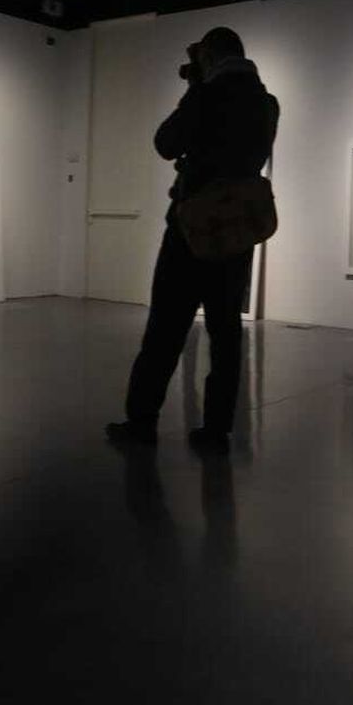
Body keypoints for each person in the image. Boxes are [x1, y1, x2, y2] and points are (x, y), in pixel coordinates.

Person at [107, 27, 279, 449]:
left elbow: (166, 143)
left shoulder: (206, 94)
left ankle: (142, 422)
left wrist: (196, 90)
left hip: (193, 227)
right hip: (237, 230)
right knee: (225, 334)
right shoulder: (266, 103)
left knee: (165, 329)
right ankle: (217, 431)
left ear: (210, 59)